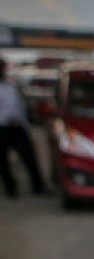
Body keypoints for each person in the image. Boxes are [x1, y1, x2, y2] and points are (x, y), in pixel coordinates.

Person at [0, 58, 47, 198]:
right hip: (2, 128)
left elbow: (20, 106)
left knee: (30, 158)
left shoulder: (11, 85)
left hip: (18, 126)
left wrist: (25, 121)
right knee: (3, 162)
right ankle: (11, 189)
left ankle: (38, 186)